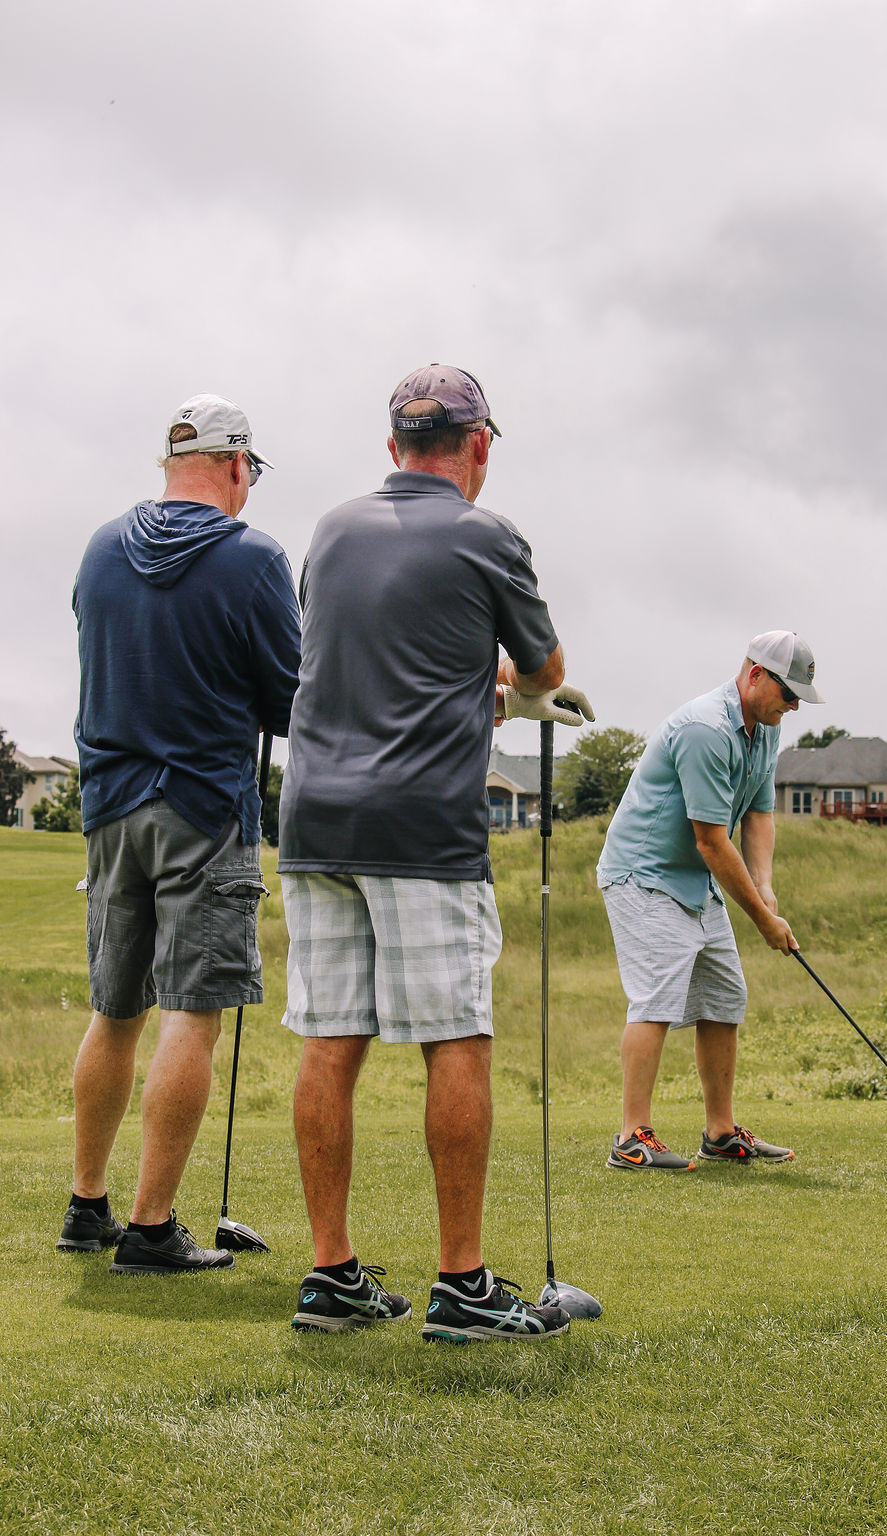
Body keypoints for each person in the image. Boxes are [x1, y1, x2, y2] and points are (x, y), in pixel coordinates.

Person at [279, 363, 592, 1342]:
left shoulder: (331, 530)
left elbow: (374, 655)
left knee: (331, 1036)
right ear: (479, 444)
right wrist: (515, 689)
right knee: (455, 1036)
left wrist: (474, 684)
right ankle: (461, 1285)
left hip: (314, 819)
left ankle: (332, 1276)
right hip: (419, 822)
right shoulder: (487, 534)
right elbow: (545, 666)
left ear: (393, 446)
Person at [58, 394, 301, 1274]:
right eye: (252, 471)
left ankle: (88, 1205)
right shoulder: (254, 557)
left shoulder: (99, 548)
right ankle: (151, 1228)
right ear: (235, 464)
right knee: (192, 1015)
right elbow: (290, 703)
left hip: (109, 807)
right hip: (203, 806)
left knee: (115, 1010)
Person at [597, 631, 822, 1171]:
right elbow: (711, 841)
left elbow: (759, 813)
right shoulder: (706, 729)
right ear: (756, 675)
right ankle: (631, 1138)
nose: (793, 706)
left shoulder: (765, 730)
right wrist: (764, 921)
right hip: (644, 874)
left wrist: (765, 888)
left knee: (724, 996)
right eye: (789, 693)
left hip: (695, 880)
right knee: (655, 999)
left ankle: (720, 1133)